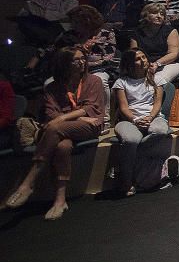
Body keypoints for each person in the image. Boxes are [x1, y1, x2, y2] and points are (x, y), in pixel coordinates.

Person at [2, 47, 104, 219]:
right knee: (62, 147)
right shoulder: (52, 87)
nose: (81, 62)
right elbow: (51, 113)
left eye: (82, 59)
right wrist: (77, 118)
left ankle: (28, 182)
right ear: (64, 64)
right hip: (69, 128)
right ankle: (60, 200)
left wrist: (64, 119)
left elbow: (91, 109)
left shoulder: (93, 81)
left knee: (53, 128)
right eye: (76, 60)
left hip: (90, 127)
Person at [112, 49, 172, 195]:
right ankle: (126, 181)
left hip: (153, 117)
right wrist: (136, 120)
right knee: (131, 140)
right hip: (129, 120)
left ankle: (129, 161)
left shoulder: (156, 78)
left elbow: (157, 104)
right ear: (129, 64)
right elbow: (123, 107)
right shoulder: (121, 82)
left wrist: (150, 117)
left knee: (160, 131)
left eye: (144, 57)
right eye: (138, 59)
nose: (143, 60)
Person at [130, 3, 179, 86]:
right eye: (155, 13)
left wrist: (157, 64)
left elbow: (174, 54)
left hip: (168, 64)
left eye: (162, 14)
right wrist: (146, 65)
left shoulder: (170, 31)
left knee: (156, 80)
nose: (159, 16)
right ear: (146, 15)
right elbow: (134, 53)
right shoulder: (137, 33)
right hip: (144, 64)